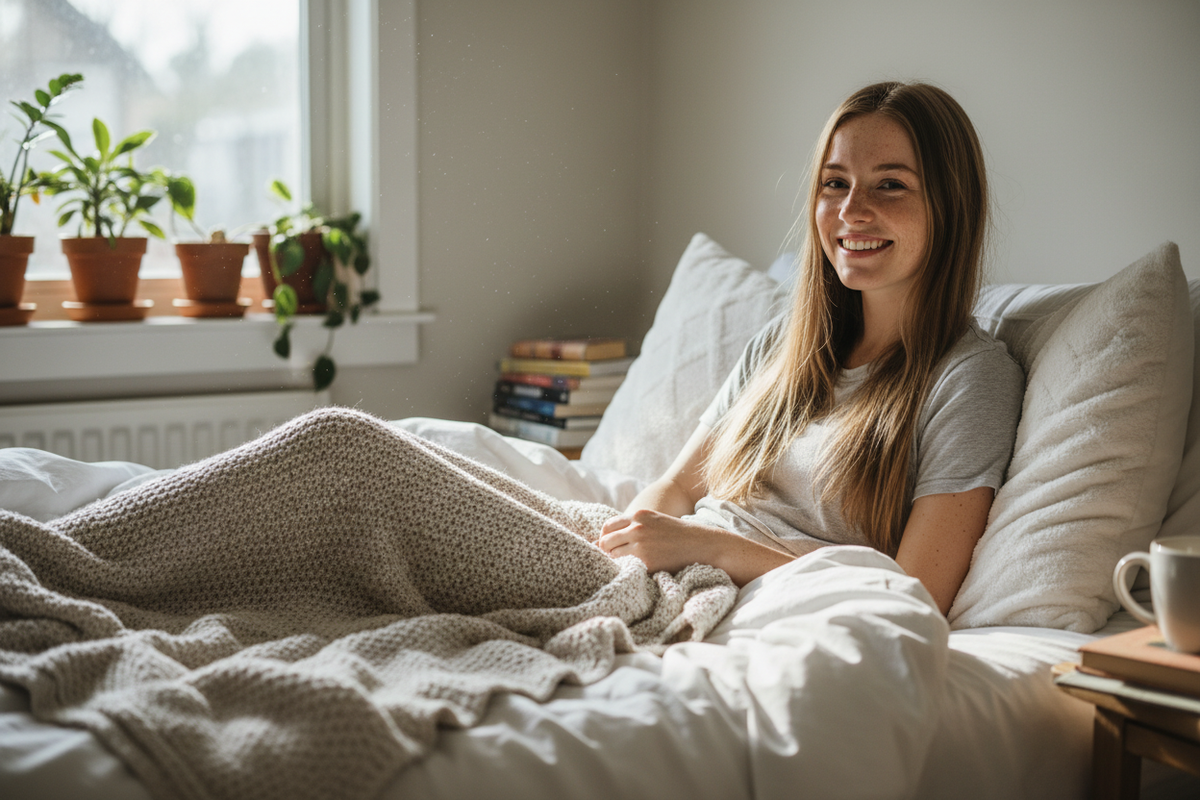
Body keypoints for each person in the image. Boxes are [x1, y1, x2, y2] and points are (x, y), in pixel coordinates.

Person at [596, 81, 1024, 616]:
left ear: (951, 204)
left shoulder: (970, 377)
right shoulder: (782, 346)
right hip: (662, 574)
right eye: (834, 183)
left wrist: (710, 548)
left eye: (890, 184)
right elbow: (675, 489)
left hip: (745, 601)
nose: (852, 210)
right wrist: (629, 553)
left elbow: (915, 591)